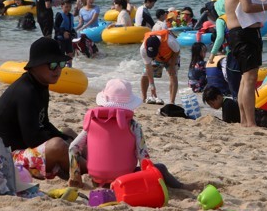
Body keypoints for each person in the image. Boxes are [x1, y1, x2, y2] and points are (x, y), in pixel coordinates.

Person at [68, 78, 196, 190]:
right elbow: (143, 158)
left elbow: (73, 148)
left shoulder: (92, 123)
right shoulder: (133, 126)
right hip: (125, 179)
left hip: (97, 180)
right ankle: (181, 187)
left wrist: (75, 174)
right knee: (160, 168)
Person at [0, 37, 77, 180]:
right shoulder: (26, 91)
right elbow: (32, 138)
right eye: (53, 64)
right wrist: (64, 143)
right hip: (4, 159)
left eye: (61, 63)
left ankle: (90, 162)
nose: (58, 69)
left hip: (23, 149)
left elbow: (44, 123)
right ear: (35, 65)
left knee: (68, 133)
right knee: (59, 145)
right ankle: (90, 169)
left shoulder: (41, 85)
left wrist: (68, 139)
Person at [224, 0, 267, 127]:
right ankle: (250, 122)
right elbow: (246, 7)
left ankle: (245, 120)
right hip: (242, 33)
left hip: (248, 33)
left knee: (246, 79)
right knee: (250, 77)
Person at [140, 29, 180, 104]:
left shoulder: (170, 41)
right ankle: (144, 98)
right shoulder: (143, 49)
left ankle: (172, 102)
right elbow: (148, 67)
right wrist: (152, 86)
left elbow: (177, 51)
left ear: (159, 46)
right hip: (157, 58)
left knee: (173, 75)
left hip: (171, 56)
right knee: (145, 74)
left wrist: (172, 65)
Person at [54, 0, 76, 66]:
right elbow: (55, 26)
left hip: (68, 39)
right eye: (66, 7)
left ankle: (69, 68)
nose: (68, 8)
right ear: (62, 6)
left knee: (70, 54)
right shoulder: (59, 15)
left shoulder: (71, 16)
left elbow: (71, 28)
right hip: (60, 39)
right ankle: (60, 68)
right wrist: (63, 32)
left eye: (70, 7)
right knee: (61, 55)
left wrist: (75, 35)